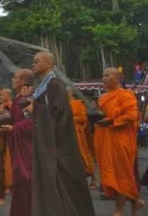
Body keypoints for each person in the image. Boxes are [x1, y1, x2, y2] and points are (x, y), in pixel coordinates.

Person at [29, 52, 95, 216]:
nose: (33, 64)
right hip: (49, 140)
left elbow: (56, 113)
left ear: (49, 63)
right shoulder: (43, 85)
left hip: (57, 142)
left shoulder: (54, 84)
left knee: (60, 182)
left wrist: (35, 109)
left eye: (37, 61)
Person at [95, 67, 145, 216]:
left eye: (107, 75)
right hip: (106, 138)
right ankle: (135, 202)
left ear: (118, 78)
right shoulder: (103, 97)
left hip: (121, 139)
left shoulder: (126, 95)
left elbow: (131, 115)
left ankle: (119, 211)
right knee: (112, 174)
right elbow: (103, 115)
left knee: (121, 175)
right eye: (102, 75)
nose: (103, 78)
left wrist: (111, 120)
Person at [0, 69, 34, 216]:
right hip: (18, 144)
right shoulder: (18, 99)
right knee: (20, 181)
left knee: (25, 179)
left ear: (23, 81)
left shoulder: (29, 100)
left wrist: (13, 128)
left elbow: (31, 122)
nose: (12, 80)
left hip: (26, 145)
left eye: (15, 78)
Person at [67, 87, 96, 190]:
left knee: (84, 155)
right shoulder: (62, 105)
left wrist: (70, 118)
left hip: (78, 134)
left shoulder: (78, 103)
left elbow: (83, 118)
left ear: (70, 93)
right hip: (67, 135)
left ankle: (93, 179)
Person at [0, 88, 12, 195]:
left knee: (8, 161)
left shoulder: (10, 106)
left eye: (2, 95)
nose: (1, 97)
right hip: (2, 136)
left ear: (8, 95)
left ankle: (8, 185)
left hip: (10, 136)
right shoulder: (2, 106)